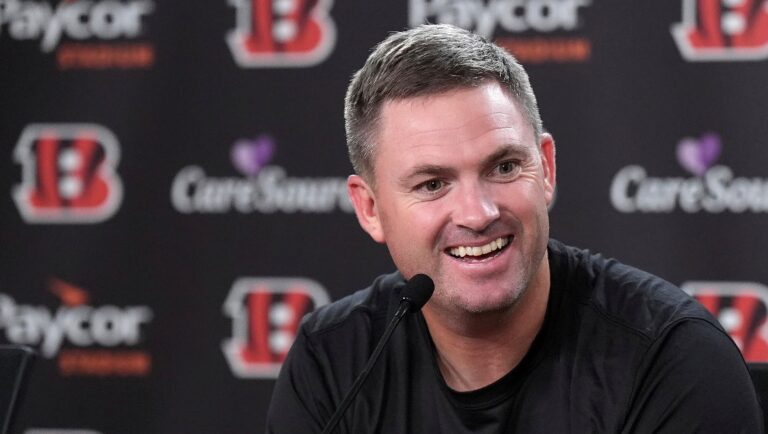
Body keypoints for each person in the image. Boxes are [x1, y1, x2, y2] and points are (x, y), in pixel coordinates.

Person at [266, 24, 763, 433]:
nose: (478, 213)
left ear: (546, 168)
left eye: (503, 168)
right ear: (370, 208)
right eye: (433, 184)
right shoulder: (332, 364)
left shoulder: (672, 359)